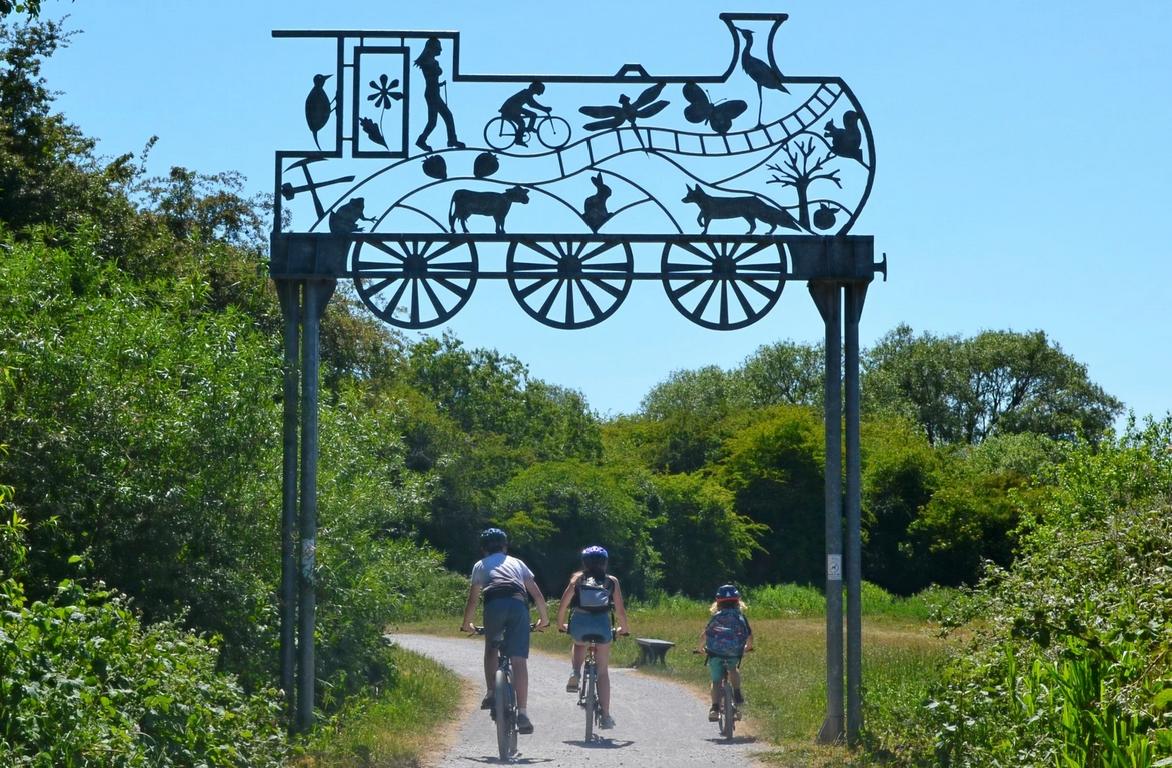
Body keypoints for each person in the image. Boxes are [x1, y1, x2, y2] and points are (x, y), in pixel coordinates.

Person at [462, 528, 550, 734]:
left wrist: (467, 624)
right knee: (518, 659)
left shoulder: (480, 565)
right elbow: (537, 595)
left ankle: (492, 692)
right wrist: (544, 620)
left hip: (494, 604)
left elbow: (473, 599)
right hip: (519, 604)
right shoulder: (517, 563)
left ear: (484, 550)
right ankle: (523, 713)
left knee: (491, 649)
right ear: (505, 548)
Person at [556, 545, 629, 730]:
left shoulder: (577, 580)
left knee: (579, 643)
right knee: (603, 672)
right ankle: (605, 716)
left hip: (579, 623)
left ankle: (575, 672)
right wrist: (624, 628)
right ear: (605, 563)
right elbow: (620, 610)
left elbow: (563, 605)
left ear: (585, 563)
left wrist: (561, 625)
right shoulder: (611, 581)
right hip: (602, 625)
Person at [696, 584, 753, 722]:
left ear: (718, 602)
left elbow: (705, 635)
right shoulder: (741, 617)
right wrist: (746, 648)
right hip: (734, 653)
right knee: (733, 668)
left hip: (715, 653)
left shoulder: (717, 616)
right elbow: (750, 637)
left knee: (716, 681)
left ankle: (715, 708)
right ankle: (738, 695)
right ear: (738, 601)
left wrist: (699, 649)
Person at [414, 37, 464, 152]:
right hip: (433, 95)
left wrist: (439, 84)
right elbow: (431, 78)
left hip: (433, 92)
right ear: (433, 48)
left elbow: (431, 80)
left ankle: (423, 140)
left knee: (434, 121)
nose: (440, 50)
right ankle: (451, 140)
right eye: (438, 47)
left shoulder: (428, 62)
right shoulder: (430, 63)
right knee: (446, 116)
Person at [498, 81, 551, 147]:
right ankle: (519, 140)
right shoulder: (526, 93)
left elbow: (532, 104)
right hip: (509, 110)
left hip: (515, 108)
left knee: (533, 115)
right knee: (522, 123)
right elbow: (532, 104)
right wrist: (544, 109)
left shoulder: (527, 93)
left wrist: (544, 109)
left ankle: (530, 127)